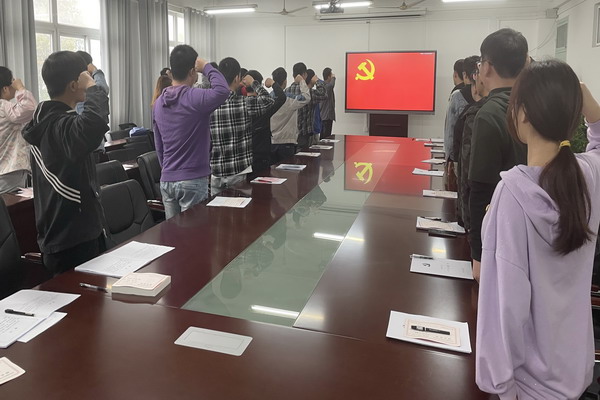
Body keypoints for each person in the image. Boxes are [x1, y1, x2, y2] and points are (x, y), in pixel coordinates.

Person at [476, 59, 600, 400]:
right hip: (575, 376)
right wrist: (586, 102)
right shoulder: (589, 177)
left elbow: (504, 308)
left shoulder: (513, 194)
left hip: (527, 387)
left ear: (523, 114)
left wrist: (501, 388)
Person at [22, 51, 109, 275]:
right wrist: (94, 87)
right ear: (73, 85)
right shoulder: (56, 125)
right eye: (84, 77)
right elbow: (94, 124)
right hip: (70, 240)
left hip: (77, 232)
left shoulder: (53, 120)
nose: (88, 81)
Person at [469, 28, 529, 280]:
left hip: (499, 234)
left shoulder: (489, 114)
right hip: (533, 231)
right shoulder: (536, 106)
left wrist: (478, 255)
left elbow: (480, 188)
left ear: (486, 67)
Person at [153, 45, 229, 219]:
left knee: (173, 233)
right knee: (193, 234)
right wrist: (207, 67)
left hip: (167, 178)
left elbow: (158, 144)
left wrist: (168, 169)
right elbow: (223, 90)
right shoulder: (195, 97)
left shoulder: (158, 103)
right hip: (192, 179)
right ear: (192, 72)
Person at [209, 57, 274, 194]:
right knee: (240, 208)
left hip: (216, 172)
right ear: (237, 78)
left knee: (216, 207)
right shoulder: (244, 103)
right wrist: (254, 83)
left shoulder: (209, 103)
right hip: (238, 171)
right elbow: (268, 100)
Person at [456, 61, 488, 231]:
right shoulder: (517, 107)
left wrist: (465, 219)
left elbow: (467, 172)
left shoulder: (478, 114)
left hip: (480, 215)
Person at [444, 55, 479, 191]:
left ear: (465, 74)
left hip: (462, 157)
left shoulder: (457, 96)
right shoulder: (487, 95)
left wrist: (449, 159)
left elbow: (450, 130)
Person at [0, 67, 37, 194]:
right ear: (5, 88)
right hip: (9, 171)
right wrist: (21, 88)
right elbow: (30, 108)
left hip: (4, 170)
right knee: (12, 205)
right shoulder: (4, 106)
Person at [246, 69, 286, 173]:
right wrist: (273, 84)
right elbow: (281, 98)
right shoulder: (265, 107)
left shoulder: (239, 104)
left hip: (244, 156)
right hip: (261, 154)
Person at [270, 67, 311, 164]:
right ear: (285, 81)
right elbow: (306, 97)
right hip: (287, 142)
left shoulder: (267, 98)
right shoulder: (289, 99)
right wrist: (301, 81)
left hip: (271, 142)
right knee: (287, 171)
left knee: (272, 171)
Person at [286, 63, 326, 148]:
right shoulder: (309, 92)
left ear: (293, 75)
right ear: (305, 75)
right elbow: (324, 94)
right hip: (304, 134)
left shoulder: (286, 91)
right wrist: (317, 81)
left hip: (289, 134)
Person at [320, 67, 336, 137]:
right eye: (331, 75)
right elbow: (331, 85)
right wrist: (334, 78)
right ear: (328, 77)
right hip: (325, 117)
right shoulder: (326, 87)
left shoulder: (324, 86)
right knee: (325, 137)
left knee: (327, 136)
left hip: (327, 116)